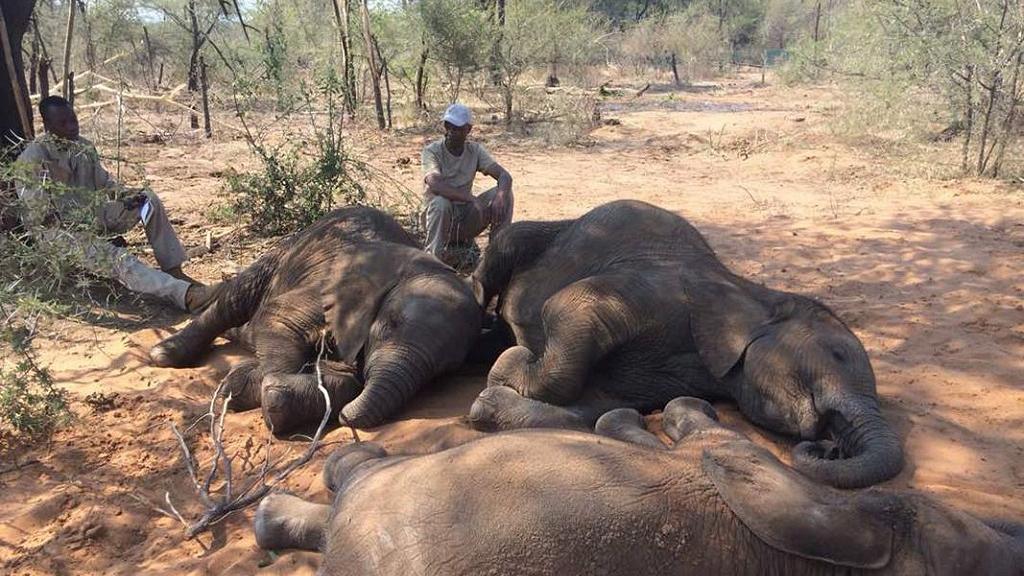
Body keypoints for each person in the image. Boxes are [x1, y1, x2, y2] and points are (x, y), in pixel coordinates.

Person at [14, 96, 218, 313]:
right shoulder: (32, 159)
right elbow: (38, 214)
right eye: (63, 123)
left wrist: (126, 196)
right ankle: (185, 295)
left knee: (148, 199)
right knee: (118, 259)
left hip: (92, 217)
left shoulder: (84, 147)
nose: (72, 127)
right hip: (60, 234)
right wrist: (75, 232)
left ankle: (173, 268)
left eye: (73, 119)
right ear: (47, 126)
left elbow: (106, 184)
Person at [421, 103, 514, 261]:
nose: (451, 132)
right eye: (448, 126)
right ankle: (432, 260)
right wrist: (471, 198)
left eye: (457, 128)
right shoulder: (432, 151)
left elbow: (504, 176)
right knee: (440, 203)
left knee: (506, 195)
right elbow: (435, 183)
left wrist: (501, 195)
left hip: (465, 218)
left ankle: (495, 256)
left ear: (468, 130)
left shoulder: (475, 150)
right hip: (439, 219)